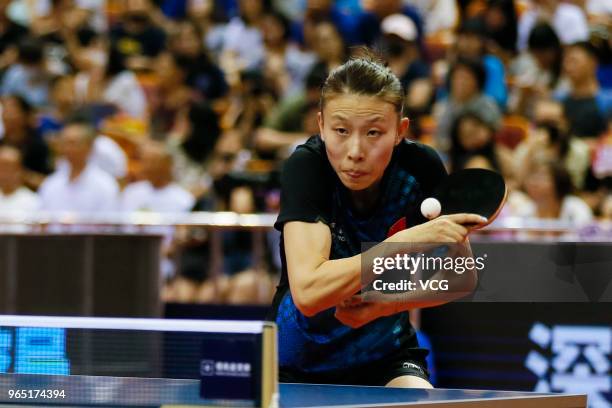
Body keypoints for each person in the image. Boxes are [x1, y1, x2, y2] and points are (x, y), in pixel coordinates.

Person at [269, 51, 482, 387]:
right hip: (295, 362)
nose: (355, 150)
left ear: (400, 130)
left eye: (373, 133)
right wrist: (400, 244)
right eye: (341, 130)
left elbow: (460, 278)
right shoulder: (307, 168)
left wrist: (383, 305)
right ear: (322, 125)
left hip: (386, 356)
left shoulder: (420, 168)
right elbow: (309, 293)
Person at [38, 119, 119, 212]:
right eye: (64, 143)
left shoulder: (105, 185)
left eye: (73, 143)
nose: (68, 149)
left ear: (89, 146)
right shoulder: (51, 183)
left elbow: (108, 222)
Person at [0, 145, 40, 213]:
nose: (4, 173)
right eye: (1, 167)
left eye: (9, 168)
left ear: (20, 170)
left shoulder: (33, 201)